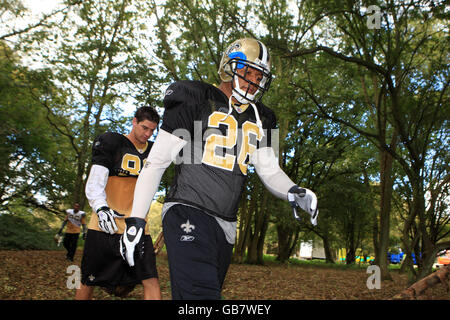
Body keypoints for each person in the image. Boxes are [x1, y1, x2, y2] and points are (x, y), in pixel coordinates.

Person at [120, 38, 319, 300]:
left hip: (225, 224)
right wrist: (136, 219)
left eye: (259, 76)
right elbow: (156, 162)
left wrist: (293, 191)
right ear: (229, 66)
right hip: (187, 210)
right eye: (248, 72)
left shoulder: (263, 117)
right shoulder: (197, 98)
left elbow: (269, 169)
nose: (253, 81)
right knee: (201, 296)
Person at [75, 106, 162, 300]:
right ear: (134, 121)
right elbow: (95, 181)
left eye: (152, 130)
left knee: (151, 279)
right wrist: (101, 208)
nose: (148, 134)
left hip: (138, 227)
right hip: (105, 225)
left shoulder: (155, 152)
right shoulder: (112, 142)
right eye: (144, 128)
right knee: (88, 279)